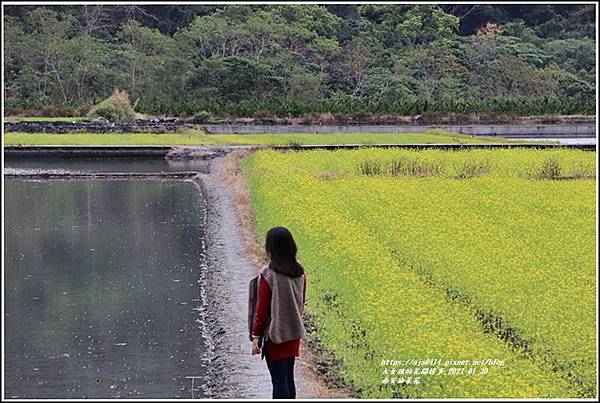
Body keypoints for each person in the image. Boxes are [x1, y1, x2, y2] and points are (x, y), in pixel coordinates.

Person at [251, 227, 307, 399]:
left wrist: (256, 337)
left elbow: (262, 309)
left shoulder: (269, 274)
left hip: (275, 334)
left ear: (271, 248)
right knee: (288, 379)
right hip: (293, 333)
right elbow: (301, 302)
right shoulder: (299, 272)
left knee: (279, 382)